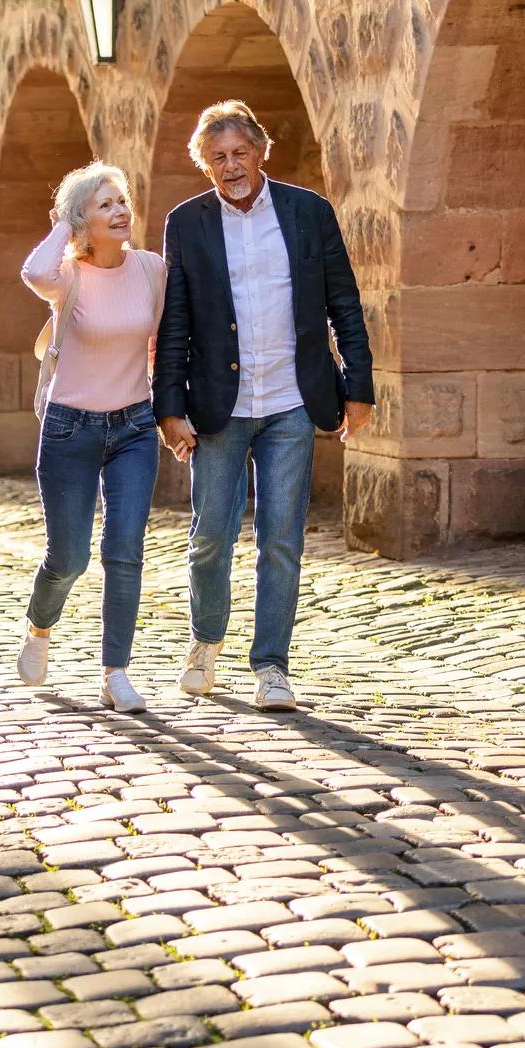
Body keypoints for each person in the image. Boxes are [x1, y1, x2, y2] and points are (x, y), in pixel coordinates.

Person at [155, 100, 373, 711]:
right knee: (209, 537)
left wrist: (358, 388)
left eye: (239, 153)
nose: (231, 166)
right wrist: (170, 407)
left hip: (291, 400)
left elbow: (345, 304)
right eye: (217, 157)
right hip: (218, 404)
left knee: (281, 539)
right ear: (205, 165)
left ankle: (271, 667)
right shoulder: (186, 223)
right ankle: (204, 642)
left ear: (260, 152)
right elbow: (175, 322)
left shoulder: (309, 213)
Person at [15, 162, 168, 713]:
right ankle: (39, 628)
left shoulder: (151, 268)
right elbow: (33, 271)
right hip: (69, 428)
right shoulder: (68, 276)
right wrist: (61, 223)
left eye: (122, 201)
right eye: (105, 205)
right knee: (69, 556)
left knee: (124, 552)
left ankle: (115, 672)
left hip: (133, 426)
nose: (120, 211)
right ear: (84, 217)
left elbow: (171, 334)